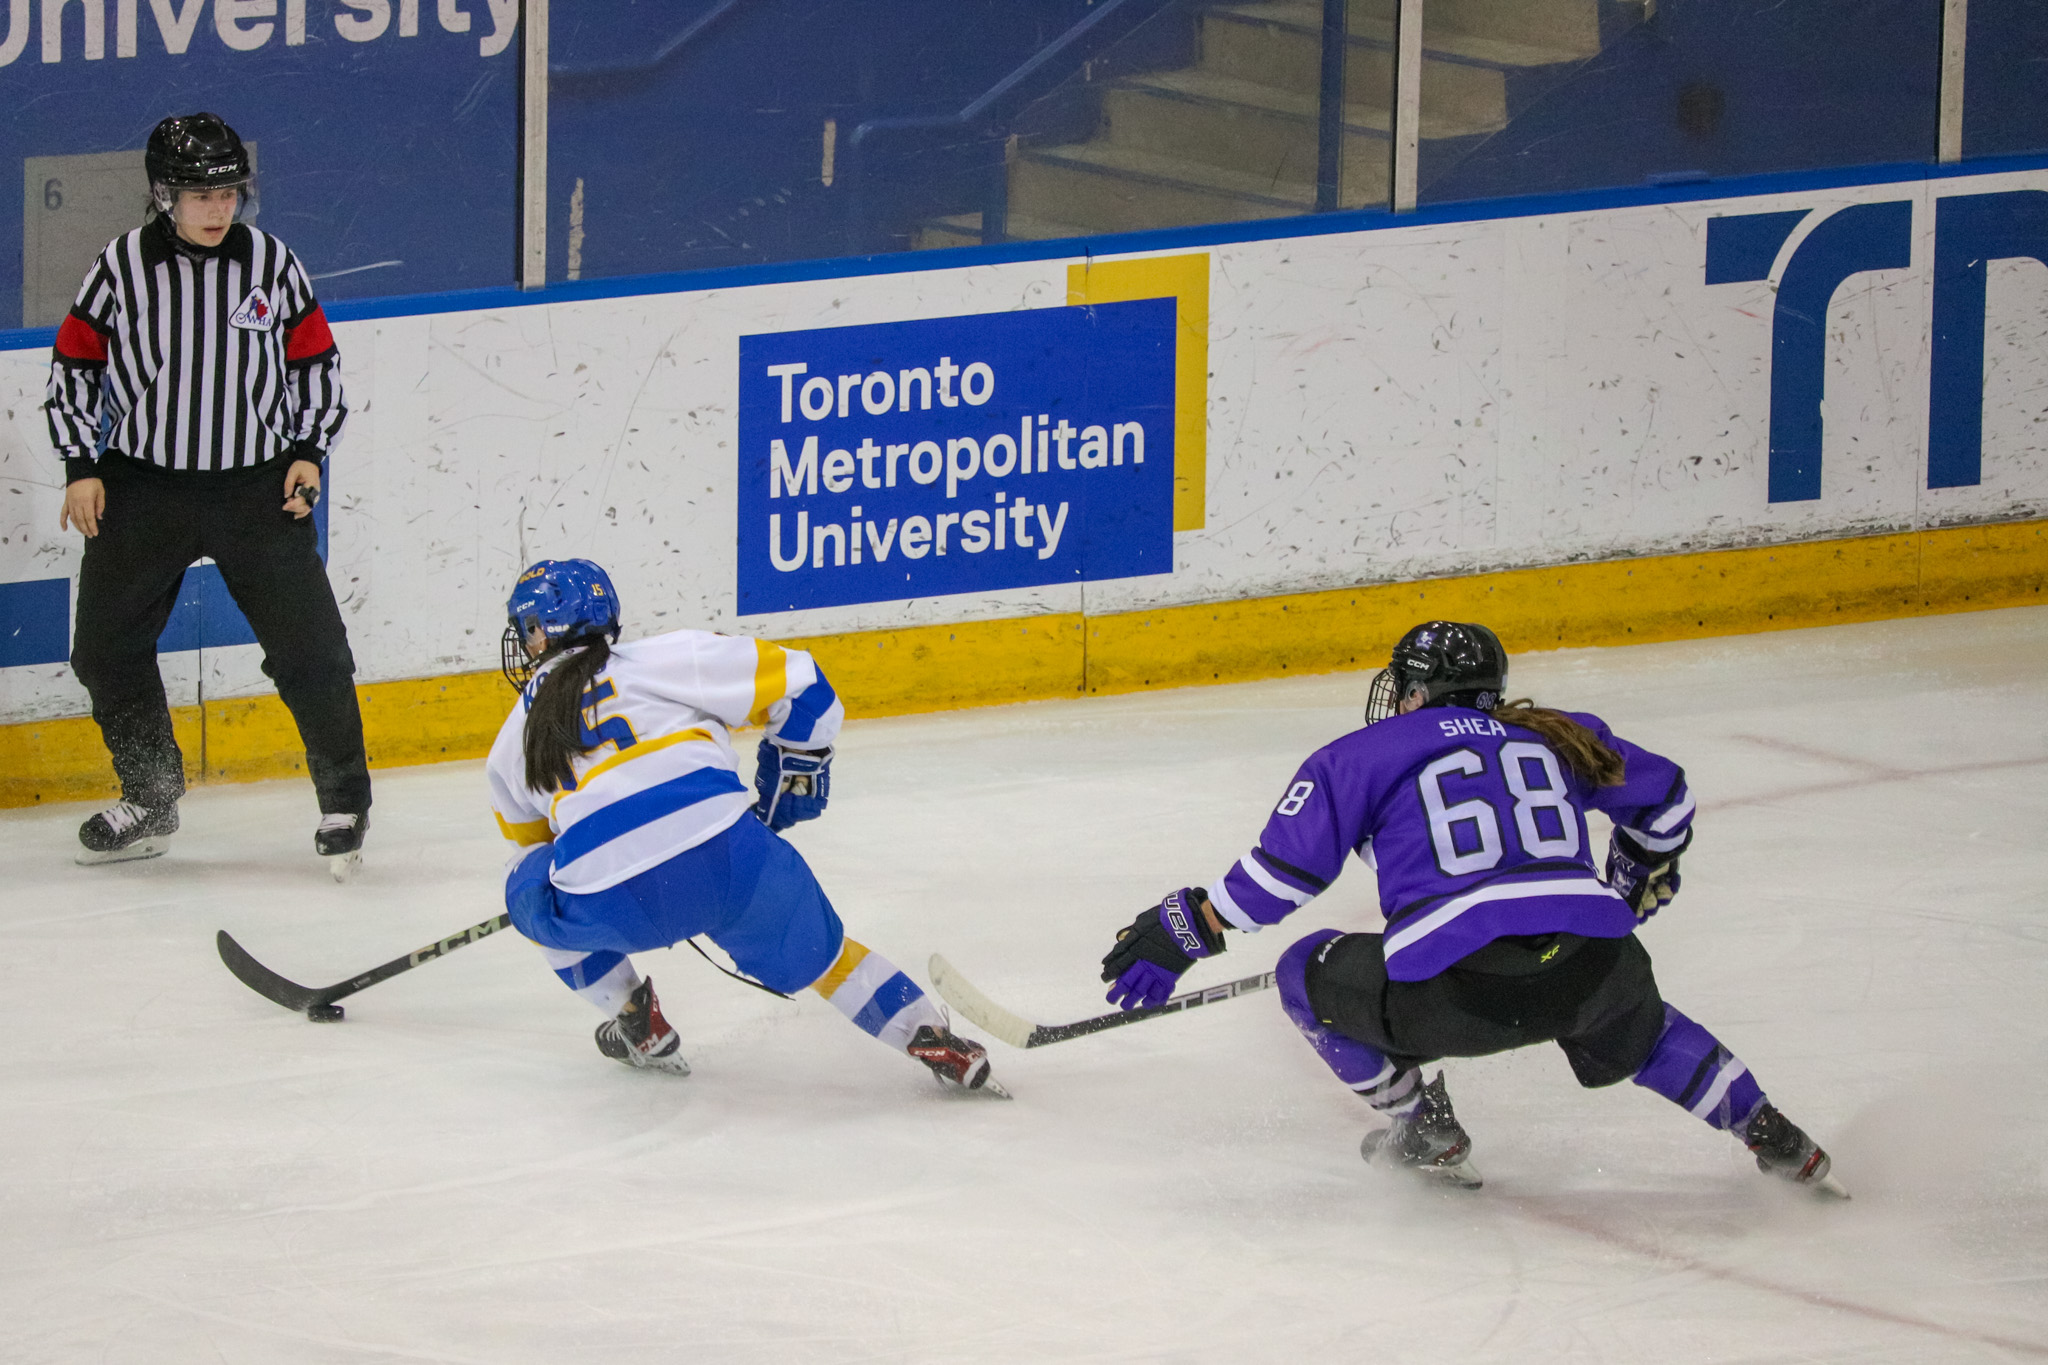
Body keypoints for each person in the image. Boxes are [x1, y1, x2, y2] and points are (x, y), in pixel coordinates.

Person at [1099, 620, 1844, 1194]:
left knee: (1304, 969)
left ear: (1414, 692)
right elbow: (1669, 799)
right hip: (1593, 964)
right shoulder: (1561, 733)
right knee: (1643, 1027)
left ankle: (1421, 1125)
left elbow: (1278, 879)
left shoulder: (1358, 757)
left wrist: (1187, 926)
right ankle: (1772, 1132)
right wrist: (1641, 865)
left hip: (1458, 995)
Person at [489, 558, 1004, 1094]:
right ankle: (931, 1035)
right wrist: (791, 781)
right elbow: (807, 689)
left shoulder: (511, 740)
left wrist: (543, 901)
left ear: (537, 634)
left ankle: (633, 1016)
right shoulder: (670, 655)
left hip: (612, 904)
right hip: (731, 861)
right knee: (827, 959)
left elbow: (538, 854)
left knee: (526, 883)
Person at [46, 112, 368, 873]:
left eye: (229, 193)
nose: (219, 209)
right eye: (201, 195)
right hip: (142, 487)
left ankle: (345, 802)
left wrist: (308, 450)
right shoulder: (120, 266)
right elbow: (73, 367)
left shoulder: (273, 264)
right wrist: (79, 465)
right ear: (164, 196)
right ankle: (151, 796)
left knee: (313, 649)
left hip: (257, 489)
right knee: (103, 650)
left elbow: (315, 363)